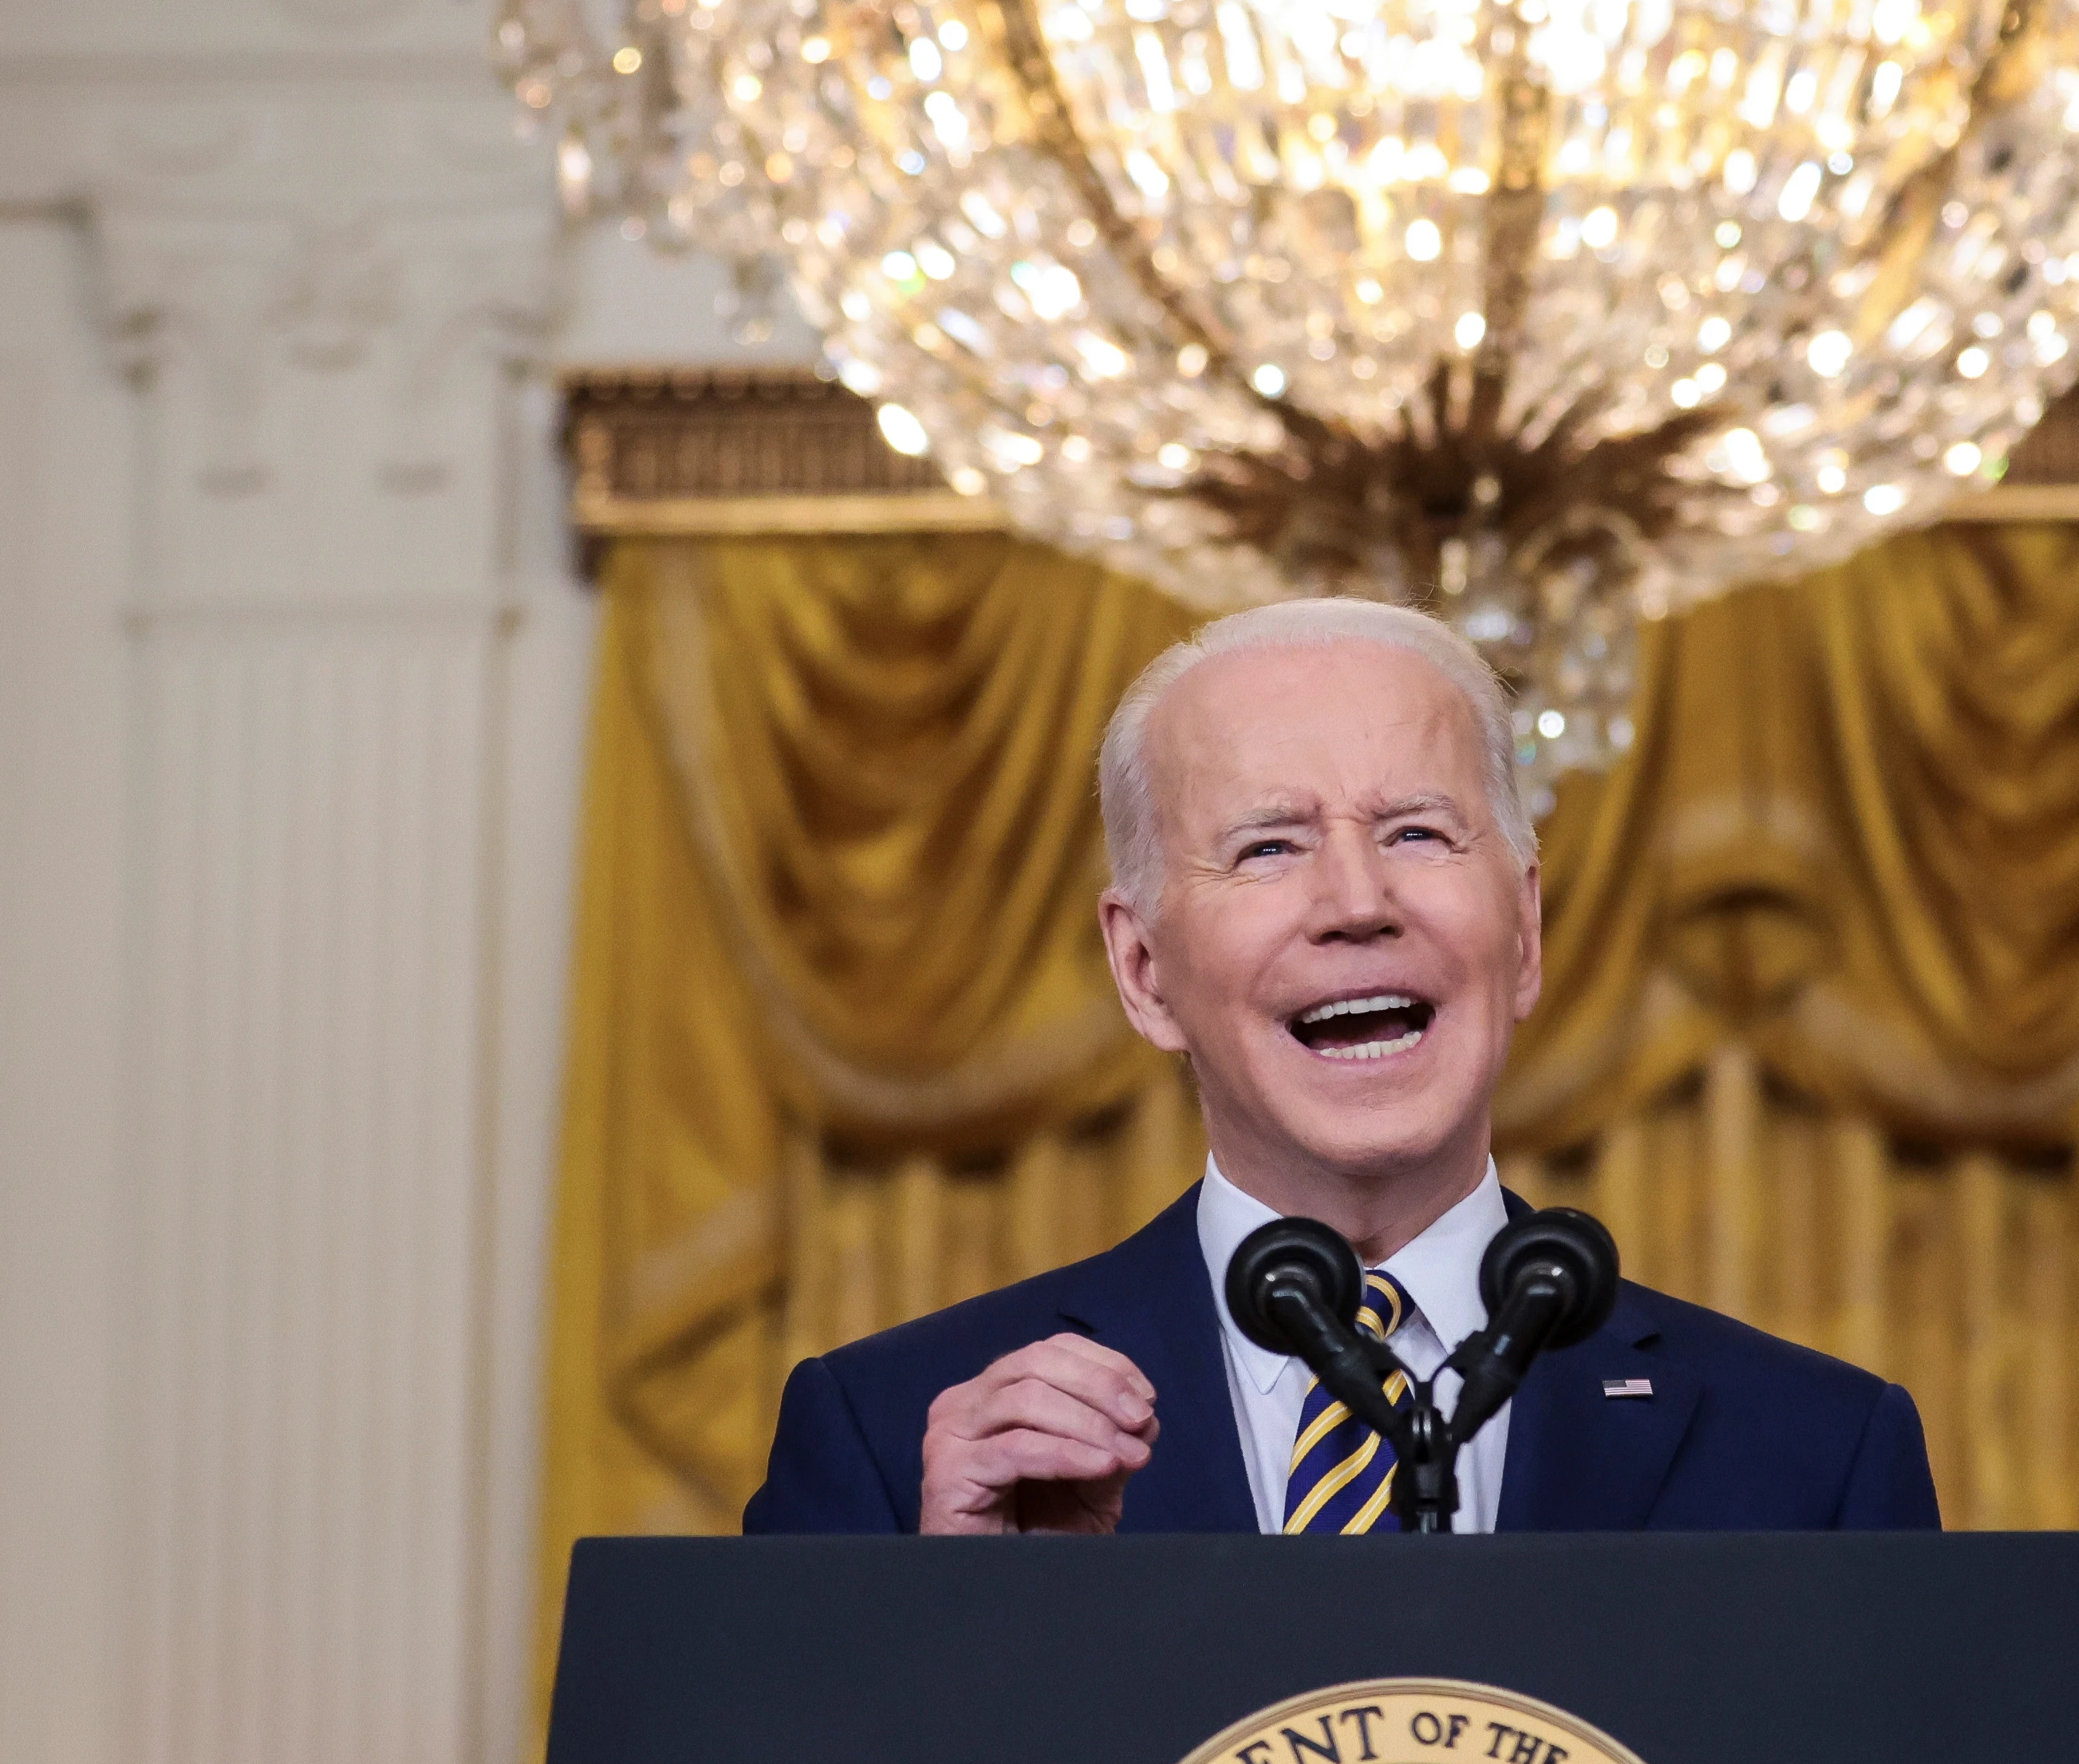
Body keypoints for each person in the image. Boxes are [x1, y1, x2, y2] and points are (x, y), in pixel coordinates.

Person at [743, 597, 1942, 1534]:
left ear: (1523, 933)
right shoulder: (894, 1441)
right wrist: (952, 1621)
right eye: (1269, 847)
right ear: (1145, 971)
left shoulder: (1816, 1450)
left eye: (1418, 831)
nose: (1357, 902)